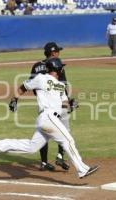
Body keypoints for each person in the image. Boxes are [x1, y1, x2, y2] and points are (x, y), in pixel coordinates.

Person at [0, 57, 99, 179]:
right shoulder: (41, 78)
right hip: (47, 117)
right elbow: (23, 87)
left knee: (32, 147)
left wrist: (71, 104)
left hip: (51, 120)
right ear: (57, 68)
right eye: (61, 67)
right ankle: (82, 169)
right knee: (68, 141)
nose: (62, 69)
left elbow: (64, 105)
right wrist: (14, 99)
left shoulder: (61, 86)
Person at [30, 42, 74, 172]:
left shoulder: (36, 66)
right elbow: (63, 86)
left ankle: (44, 162)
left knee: (44, 133)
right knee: (65, 131)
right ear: (53, 53)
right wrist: (68, 102)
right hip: (59, 105)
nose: (59, 54)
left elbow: (32, 86)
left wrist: (42, 97)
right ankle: (60, 156)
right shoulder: (58, 64)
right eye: (58, 52)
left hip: (43, 105)